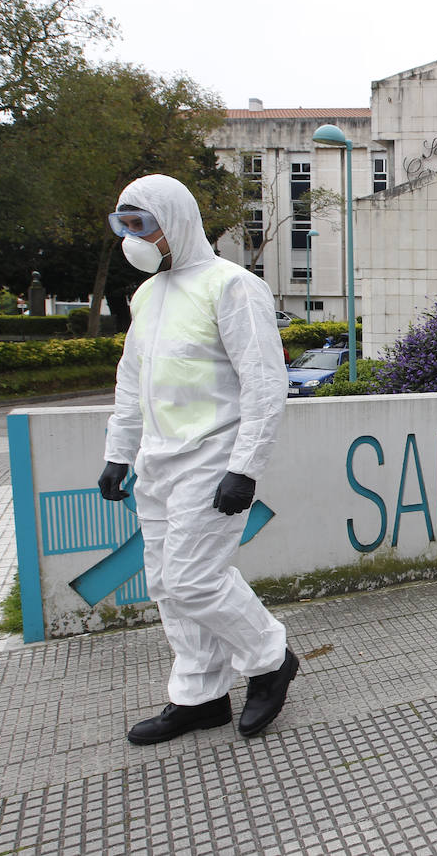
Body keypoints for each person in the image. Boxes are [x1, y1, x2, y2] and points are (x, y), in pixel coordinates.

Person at [97, 174, 298, 745]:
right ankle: (199, 695)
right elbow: (132, 382)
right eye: (124, 225)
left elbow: (264, 383)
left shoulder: (232, 286)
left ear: (175, 221)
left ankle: (270, 659)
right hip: (157, 461)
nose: (132, 237)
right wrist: (118, 453)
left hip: (213, 459)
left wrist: (245, 467)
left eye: (141, 225)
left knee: (192, 579)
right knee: (164, 583)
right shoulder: (147, 295)